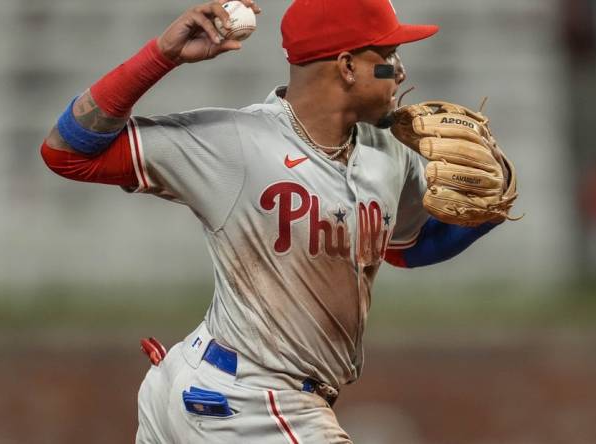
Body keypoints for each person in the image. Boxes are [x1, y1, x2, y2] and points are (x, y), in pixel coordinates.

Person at [41, 0, 505, 442]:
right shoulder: (237, 143)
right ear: (346, 66)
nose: (400, 70)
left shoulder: (387, 153)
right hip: (249, 400)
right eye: (387, 55)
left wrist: (485, 212)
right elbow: (66, 153)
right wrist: (161, 56)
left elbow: (403, 248)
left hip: (230, 393)